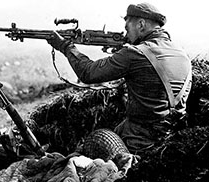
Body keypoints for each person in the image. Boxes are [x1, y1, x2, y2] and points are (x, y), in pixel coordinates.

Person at [47, 2, 192, 154]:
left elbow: (88, 73)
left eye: (127, 29)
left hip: (139, 141)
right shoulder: (181, 53)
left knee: (94, 144)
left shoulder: (135, 53)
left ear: (141, 24)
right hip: (174, 136)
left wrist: (66, 47)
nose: (126, 35)